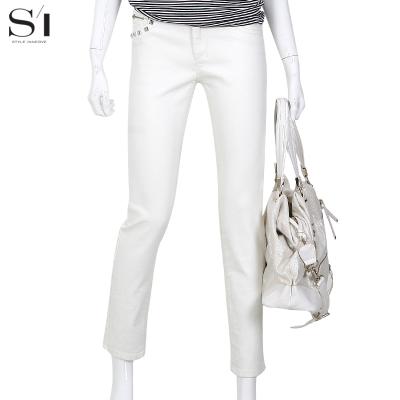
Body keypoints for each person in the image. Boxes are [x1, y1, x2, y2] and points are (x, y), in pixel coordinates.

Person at [88, 1, 305, 399]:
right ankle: (121, 377)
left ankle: (247, 382)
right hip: (156, 32)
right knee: (147, 215)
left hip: (238, 34)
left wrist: (292, 63)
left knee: (243, 222)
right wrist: (96, 57)